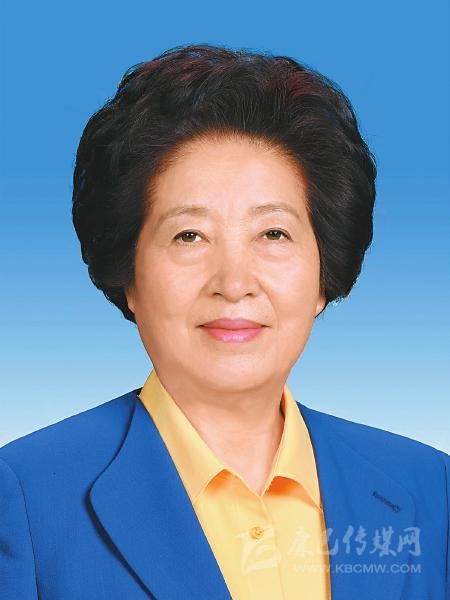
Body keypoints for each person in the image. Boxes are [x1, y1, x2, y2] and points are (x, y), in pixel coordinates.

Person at [0, 43, 448, 600]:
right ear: (129, 275)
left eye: (273, 234)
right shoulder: (24, 498)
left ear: (323, 273)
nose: (234, 282)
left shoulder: (429, 488)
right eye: (189, 235)